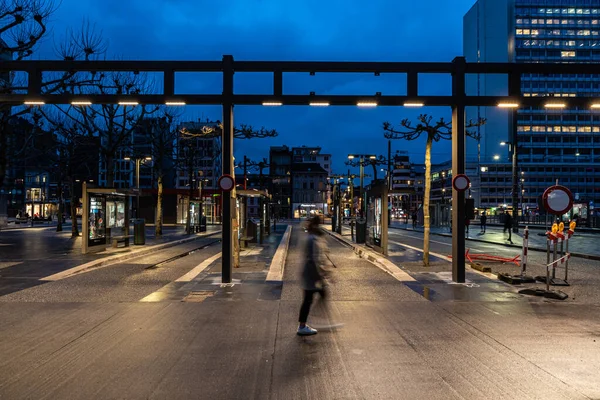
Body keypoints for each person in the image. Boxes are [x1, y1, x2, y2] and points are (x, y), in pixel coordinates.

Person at [297, 215, 331, 336]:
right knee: (309, 299)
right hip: (311, 274)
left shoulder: (312, 236)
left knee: (311, 298)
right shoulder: (312, 238)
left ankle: (306, 323)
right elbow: (314, 259)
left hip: (310, 273)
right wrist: (321, 275)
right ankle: (303, 325)